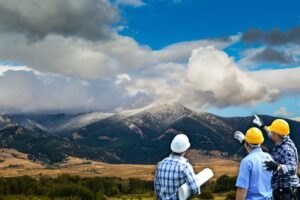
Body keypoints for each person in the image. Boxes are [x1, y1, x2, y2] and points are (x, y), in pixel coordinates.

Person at [253, 116, 299, 199]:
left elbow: (292, 168)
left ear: (277, 135)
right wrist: (262, 126)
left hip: (286, 192)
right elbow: (270, 134)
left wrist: (277, 167)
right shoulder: (282, 139)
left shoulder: (286, 148)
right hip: (282, 190)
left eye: (272, 132)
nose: (270, 133)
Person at [154, 134, 200, 200]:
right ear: (186, 149)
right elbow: (195, 189)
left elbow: (157, 188)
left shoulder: (161, 164)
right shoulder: (185, 166)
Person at [234, 127, 273, 200]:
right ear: (261, 142)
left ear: (247, 142)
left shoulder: (247, 161)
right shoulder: (269, 157)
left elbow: (242, 189)